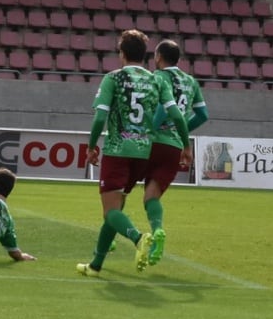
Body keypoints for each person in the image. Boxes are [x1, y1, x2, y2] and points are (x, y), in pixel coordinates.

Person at [77, 29, 188, 277]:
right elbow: (177, 115)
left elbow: (100, 117)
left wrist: (92, 146)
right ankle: (95, 265)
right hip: (142, 153)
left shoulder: (113, 78)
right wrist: (186, 145)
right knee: (116, 209)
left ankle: (139, 239)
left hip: (117, 150)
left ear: (122, 53)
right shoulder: (158, 80)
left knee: (111, 211)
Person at [142, 40, 208, 265]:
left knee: (119, 187)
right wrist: (180, 131)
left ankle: (111, 236)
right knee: (152, 195)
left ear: (158, 57)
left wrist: (152, 129)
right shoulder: (191, 81)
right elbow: (203, 115)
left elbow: (162, 106)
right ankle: (157, 229)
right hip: (174, 146)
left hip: (151, 143)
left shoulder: (157, 77)